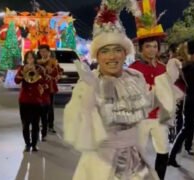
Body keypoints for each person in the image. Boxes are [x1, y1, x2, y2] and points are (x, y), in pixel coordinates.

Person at [64, 0, 179, 179]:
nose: (112, 56)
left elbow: (145, 107)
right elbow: (77, 129)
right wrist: (89, 95)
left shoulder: (134, 77)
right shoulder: (89, 82)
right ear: (97, 55)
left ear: (125, 53)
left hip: (135, 160)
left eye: (118, 49)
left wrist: (167, 81)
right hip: (101, 164)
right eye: (105, 51)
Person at [128, 1, 178, 179]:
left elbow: (168, 93)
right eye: (148, 46)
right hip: (141, 118)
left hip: (159, 118)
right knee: (138, 153)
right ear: (140, 49)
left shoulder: (163, 68)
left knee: (163, 151)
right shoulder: (133, 68)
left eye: (155, 46)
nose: (152, 49)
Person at [168, 39, 194, 167]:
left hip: (190, 102)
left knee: (185, 129)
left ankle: (171, 157)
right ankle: (171, 157)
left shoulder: (186, 66)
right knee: (186, 129)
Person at [15, 51, 48, 152]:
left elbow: (45, 81)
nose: (30, 60)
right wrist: (22, 73)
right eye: (28, 58)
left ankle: (34, 144)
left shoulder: (39, 69)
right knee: (25, 124)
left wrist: (37, 75)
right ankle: (27, 144)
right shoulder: (21, 68)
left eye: (31, 58)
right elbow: (16, 81)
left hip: (36, 100)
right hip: (24, 100)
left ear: (34, 59)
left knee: (35, 124)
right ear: (25, 59)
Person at [37, 44, 63, 133]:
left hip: (51, 87)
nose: (43, 53)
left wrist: (54, 72)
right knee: (40, 106)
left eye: (45, 51)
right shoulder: (37, 62)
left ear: (49, 52)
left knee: (50, 107)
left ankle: (50, 125)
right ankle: (41, 124)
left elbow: (59, 72)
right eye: (41, 52)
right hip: (40, 88)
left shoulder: (54, 62)